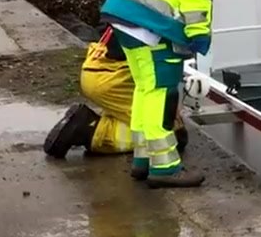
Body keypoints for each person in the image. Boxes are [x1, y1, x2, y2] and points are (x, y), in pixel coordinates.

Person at [99, 0, 228, 188]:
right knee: (161, 92)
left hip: (124, 12)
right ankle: (166, 167)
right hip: (151, 21)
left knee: (145, 89)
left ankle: (143, 159)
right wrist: (198, 31)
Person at [43, 25, 189, 159]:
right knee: (170, 135)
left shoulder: (142, 5)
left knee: (144, 115)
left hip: (98, 65)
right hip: (113, 78)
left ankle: (105, 120)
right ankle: (90, 129)